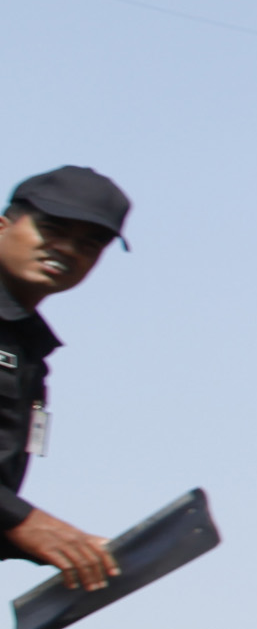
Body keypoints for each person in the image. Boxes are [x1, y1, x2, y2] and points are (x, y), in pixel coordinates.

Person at [0, 165, 134, 595]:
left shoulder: (29, 353)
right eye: (52, 228)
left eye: (90, 244)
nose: (68, 249)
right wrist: (24, 520)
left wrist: (69, 550)